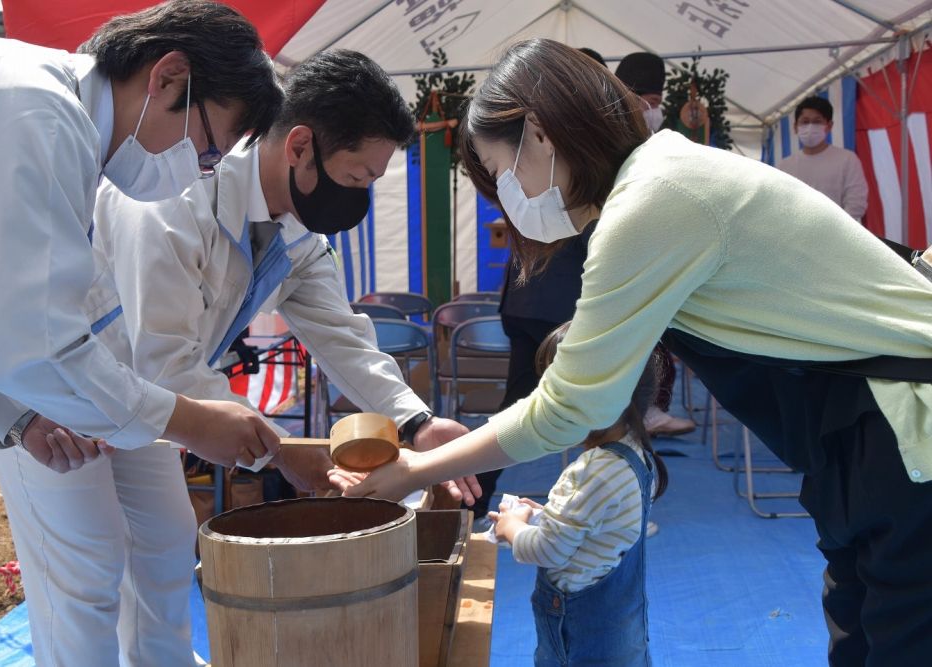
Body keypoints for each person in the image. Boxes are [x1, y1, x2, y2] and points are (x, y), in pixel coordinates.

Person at [332, 39, 932, 666]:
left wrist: (412, 471)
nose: (506, 199)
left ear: (538, 133)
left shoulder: (653, 198)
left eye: (501, 171)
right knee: (864, 637)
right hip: (858, 437)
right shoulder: (659, 175)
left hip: (902, 430)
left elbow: (569, 405)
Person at [0, 48, 477, 667]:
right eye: (354, 179)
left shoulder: (295, 228)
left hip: (146, 404)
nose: (359, 199)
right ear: (298, 147)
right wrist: (278, 449)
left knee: (165, 543)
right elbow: (164, 358)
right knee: (87, 570)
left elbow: (341, 333)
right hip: (55, 392)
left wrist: (417, 423)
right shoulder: (171, 201)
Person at [0, 0, 284, 476]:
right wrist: (193, 422)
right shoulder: (42, 114)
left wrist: (13, 413)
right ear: (168, 77)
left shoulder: (49, 115)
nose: (198, 172)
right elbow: (38, 343)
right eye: (207, 149)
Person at [470, 46, 601, 527]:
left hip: (530, 302)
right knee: (590, 412)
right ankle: (588, 509)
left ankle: (475, 494)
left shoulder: (546, 157)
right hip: (557, 308)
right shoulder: (578, 166)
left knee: (523, 403)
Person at [490, 322, 667, 666]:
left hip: (580, 627)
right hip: (620, 618)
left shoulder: (593, 471)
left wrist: (511, 527)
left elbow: (546, 550)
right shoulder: (636, 454)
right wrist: (548, 516)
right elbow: (597, 524)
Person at [615, 51, 697, 438]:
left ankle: (651, 410)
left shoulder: (665, 142)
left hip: (658, 252)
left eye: (657, 104)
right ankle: (630, 416)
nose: (652, 111)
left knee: (660, 338)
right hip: (624, 253)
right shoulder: (609, 139)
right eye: (645, 103)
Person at [778, 95, 868, 221]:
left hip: (836, 235)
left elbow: (856, 203)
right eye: (805, 121)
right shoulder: (784, 166)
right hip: (796, 235)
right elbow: (780, 203)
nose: (810, 127)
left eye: (817, 121)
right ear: (795, 126)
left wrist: (834, 231)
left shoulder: (847, 159)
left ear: (829, 126)